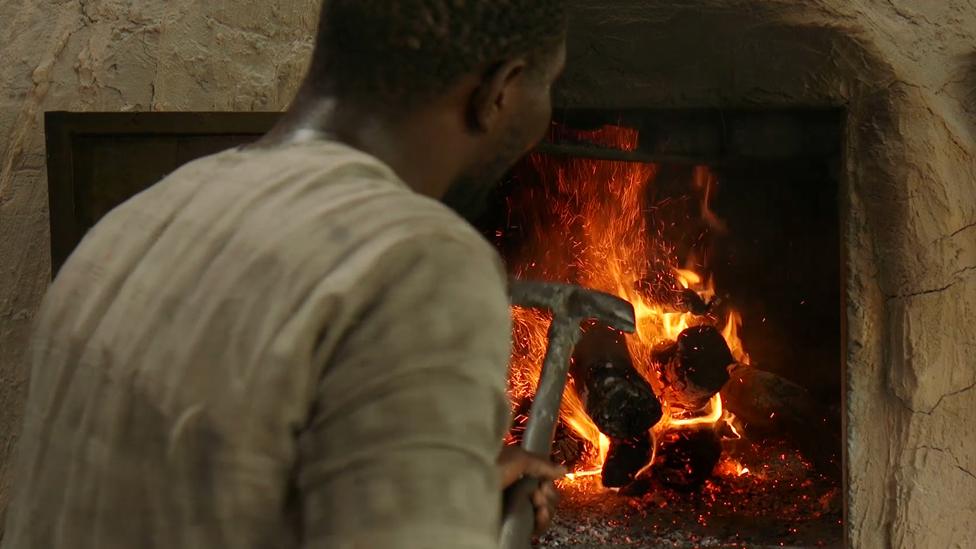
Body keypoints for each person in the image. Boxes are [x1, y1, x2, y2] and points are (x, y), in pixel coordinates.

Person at [2, 1, 569, 548]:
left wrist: (447, 494)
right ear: (499, 92)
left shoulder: (136, 220)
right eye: (547, 86)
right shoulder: (417, 261)